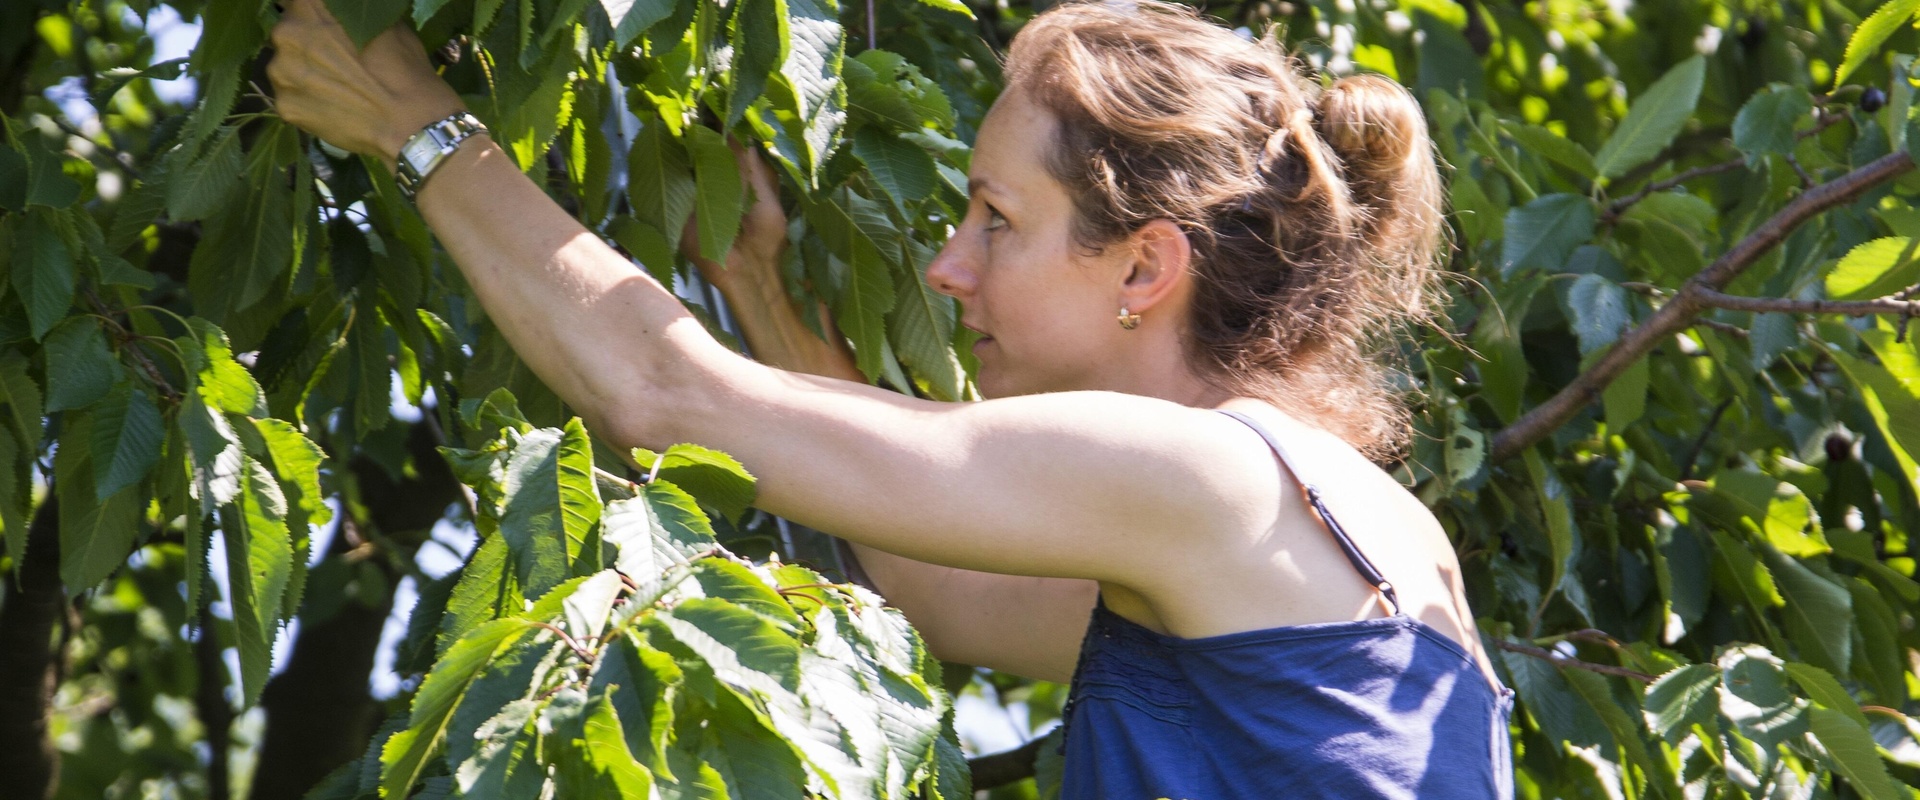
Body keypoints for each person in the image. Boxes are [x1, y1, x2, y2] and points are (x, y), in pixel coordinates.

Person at [268, 0, 1513, 796]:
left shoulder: (1199, 478)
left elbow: (662, 390)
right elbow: (961, 601)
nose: (946, 265)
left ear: (1145, 265)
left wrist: (416, 120)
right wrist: (758, 284)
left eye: (998, 218)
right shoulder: (1332, 521)